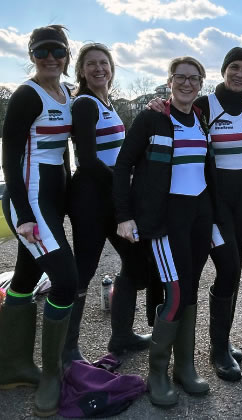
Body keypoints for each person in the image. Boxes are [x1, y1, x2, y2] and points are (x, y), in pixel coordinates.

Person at [147, 47, 242, 382]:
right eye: (234, 67)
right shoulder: (205, 105)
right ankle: (203, 353)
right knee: (221, 266)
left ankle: (221, 344)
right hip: (214, 197)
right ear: (223, 70)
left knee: (235, 270)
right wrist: (156, 105)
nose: (240, 74)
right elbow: (174, 112)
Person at [113, 56, 215, 407]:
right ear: (169, 81)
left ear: (201, 83)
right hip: (164, 220)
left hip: (198, 216)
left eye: (194, 78)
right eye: (180, 77)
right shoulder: (152, 117)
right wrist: (125, 216)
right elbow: (123, 163)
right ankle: (157, 372)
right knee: (173, 293)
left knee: (189, 290)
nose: (187, 83)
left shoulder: (200, 119)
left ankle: (184, 368)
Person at [0, 25, 77, 417]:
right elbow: (10, 156)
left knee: (26, 279)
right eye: (41, 51)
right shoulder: (26, 95)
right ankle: (51, 373)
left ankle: (10, 366)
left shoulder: (66, 94)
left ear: (67, 55)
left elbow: (62, 153)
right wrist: (26, 215)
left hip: (50, 200)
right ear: (31, 55)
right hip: (27, 201)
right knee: (65, 280)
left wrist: (65, 200)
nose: (50, 58)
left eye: (57, 51)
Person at [63, 42, 151, 367]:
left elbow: (117, 152)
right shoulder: (84, 104)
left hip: (111, 197)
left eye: (104, 63)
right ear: (82, 71)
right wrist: (122, 184)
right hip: (89, 199)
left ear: (111, 68)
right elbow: (86, 161)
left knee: (137, 262)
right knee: (82, 272)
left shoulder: (107, 102)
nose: (99, 68)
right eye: (92, 64)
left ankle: (122, 336)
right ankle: (68, 350)